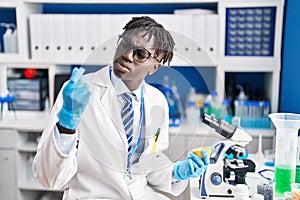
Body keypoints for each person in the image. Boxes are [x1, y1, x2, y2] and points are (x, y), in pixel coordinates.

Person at [33, 16, 209, 200]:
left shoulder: (157, 101)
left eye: (140, 54)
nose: (127, 55)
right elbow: (49, 179)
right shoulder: (79, 91)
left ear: (155, 67)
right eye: (125, 44)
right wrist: (66, 126)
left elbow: (147, 164)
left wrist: (176, 172)